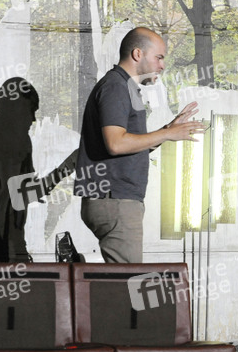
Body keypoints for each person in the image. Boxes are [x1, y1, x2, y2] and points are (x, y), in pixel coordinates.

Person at [75, 27, 204, 263]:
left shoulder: (125, 87)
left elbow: (127, 145)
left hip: (116, 199)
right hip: (116, 201)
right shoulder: (116, 87)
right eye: (159, 57)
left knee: (121, 278)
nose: (162, 65)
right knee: (125, 281)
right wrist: (167, 134)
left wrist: (167, 130)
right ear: (137, 54)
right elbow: (116, 144)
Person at [0, 78, 74, 262]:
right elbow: (23, 195)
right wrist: (67, 168)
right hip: (7, 251)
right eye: (30, 110)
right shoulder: (17, 143)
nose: (33, 119)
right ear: (16, 109)